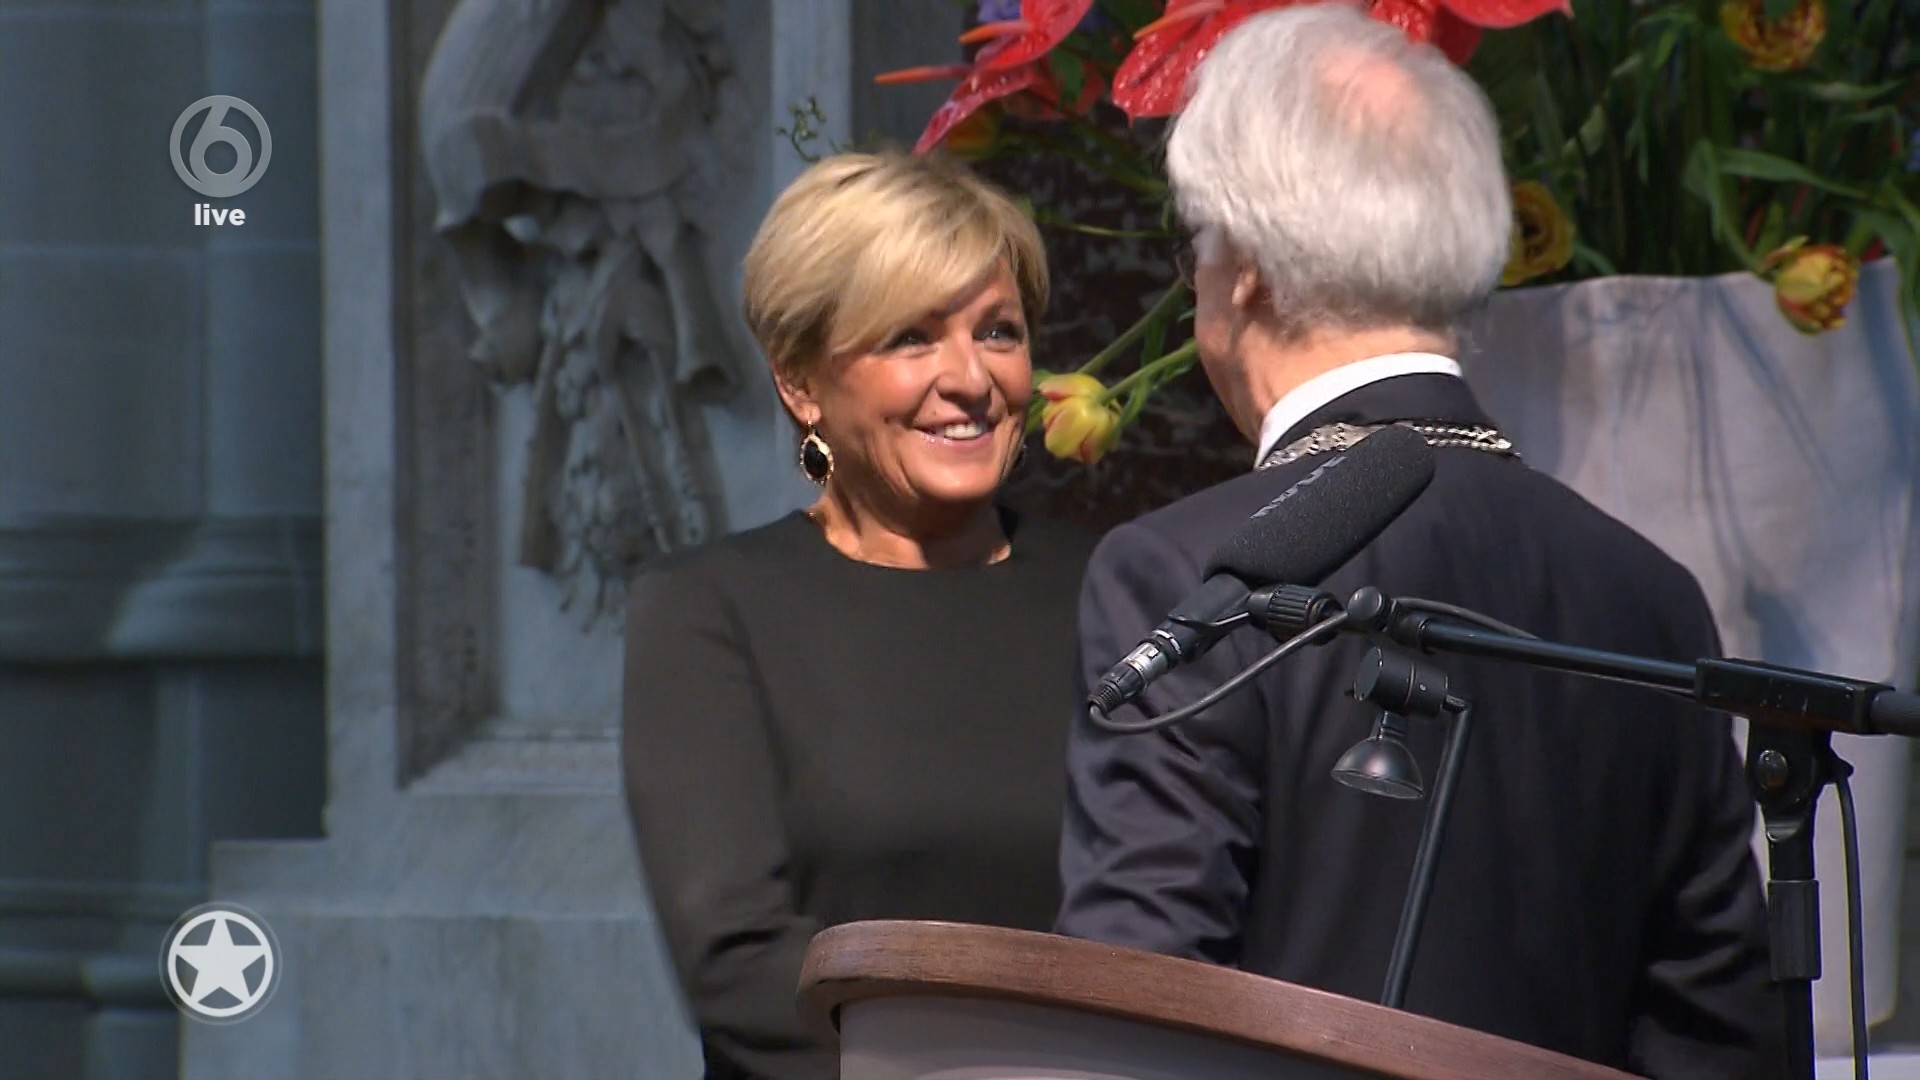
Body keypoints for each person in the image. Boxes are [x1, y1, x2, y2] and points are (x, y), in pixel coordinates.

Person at [1053, 6, 1781, 1077]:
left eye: (1190, 252)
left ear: (1242, 263)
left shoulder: (1189, 576)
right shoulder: (1649, 592)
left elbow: (1134, 1014)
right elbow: (1719, 1034)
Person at [622, 150, 1095, 1080]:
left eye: (998, 331)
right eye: (912, 338)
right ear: (801, 382)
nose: (971, 379)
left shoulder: (1116, 591)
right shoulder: (710, 610)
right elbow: (739, 964)